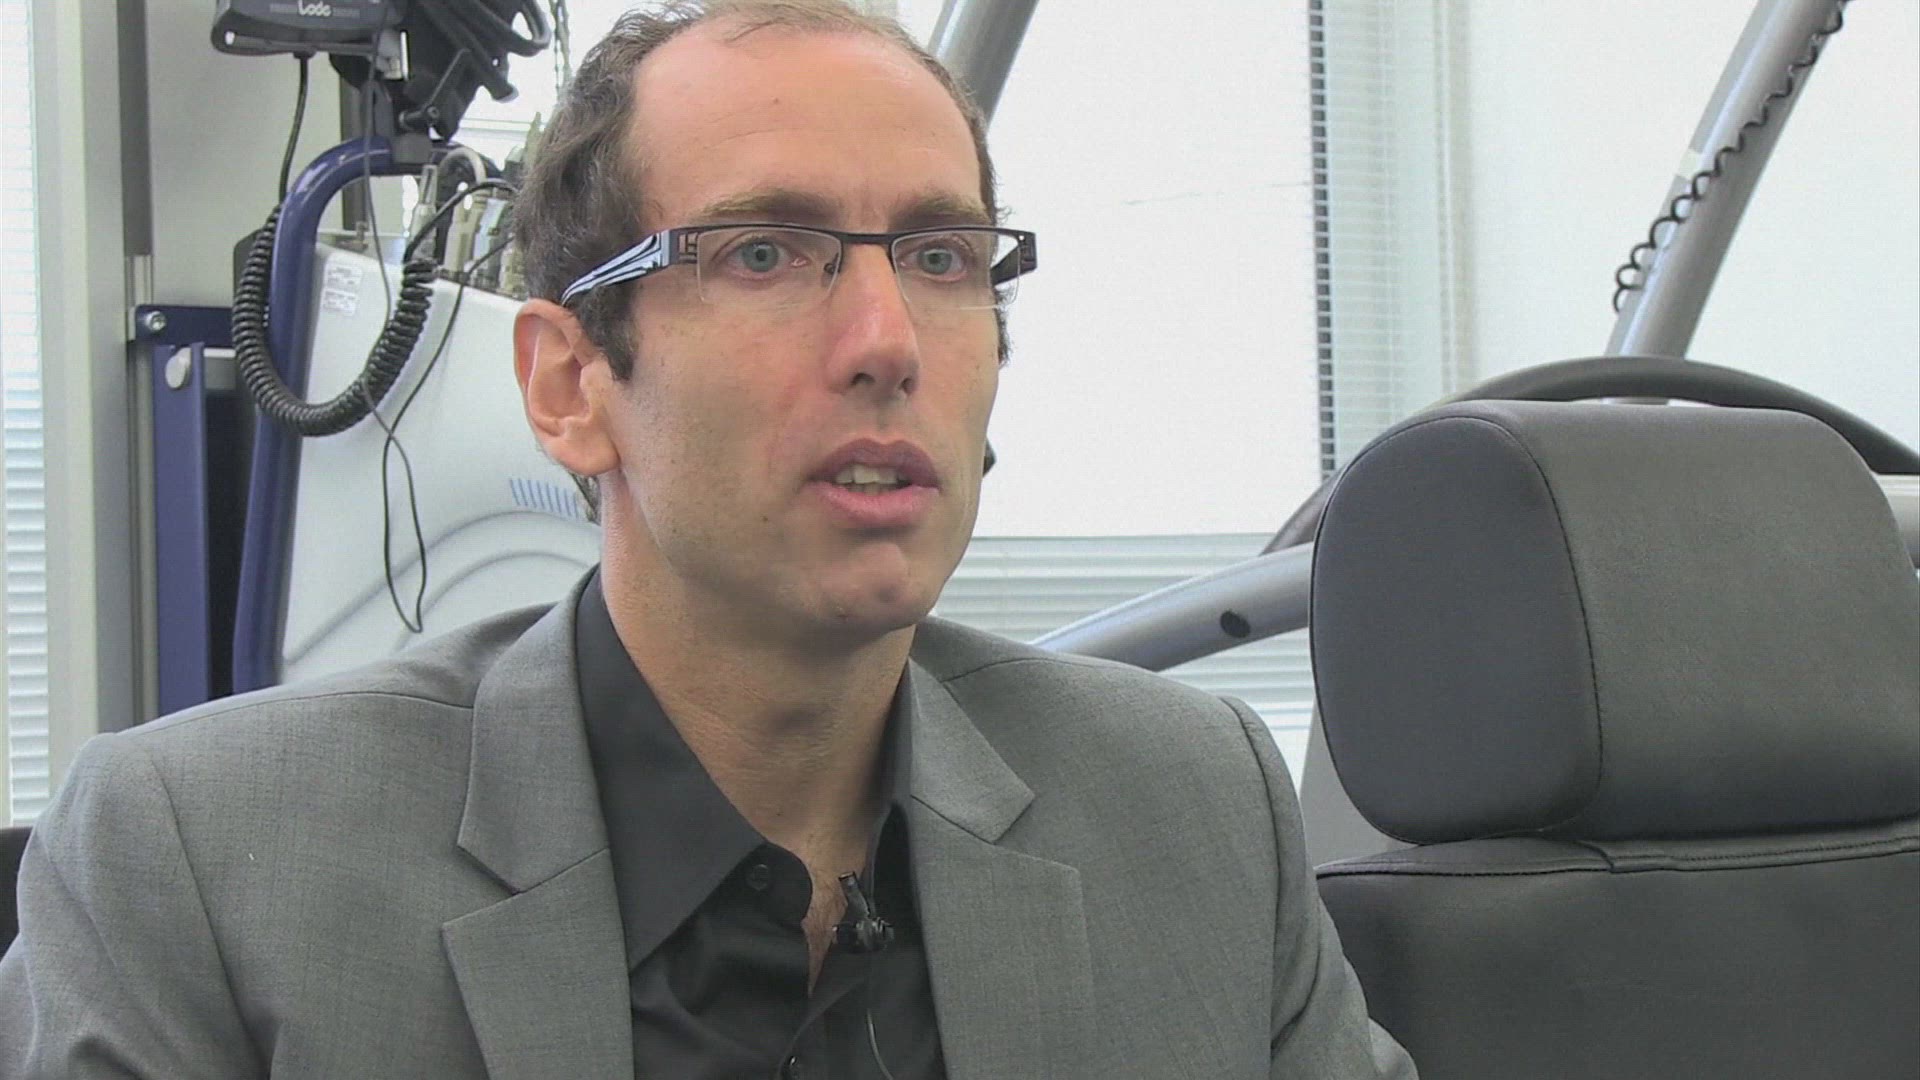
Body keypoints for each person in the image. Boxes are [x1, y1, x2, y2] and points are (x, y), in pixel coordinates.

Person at [0, 1, 1417, 1076]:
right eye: (765, 253)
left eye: (941, 258)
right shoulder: (205, 865)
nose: (886, 342)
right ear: (570, 385)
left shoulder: (1192, 813)